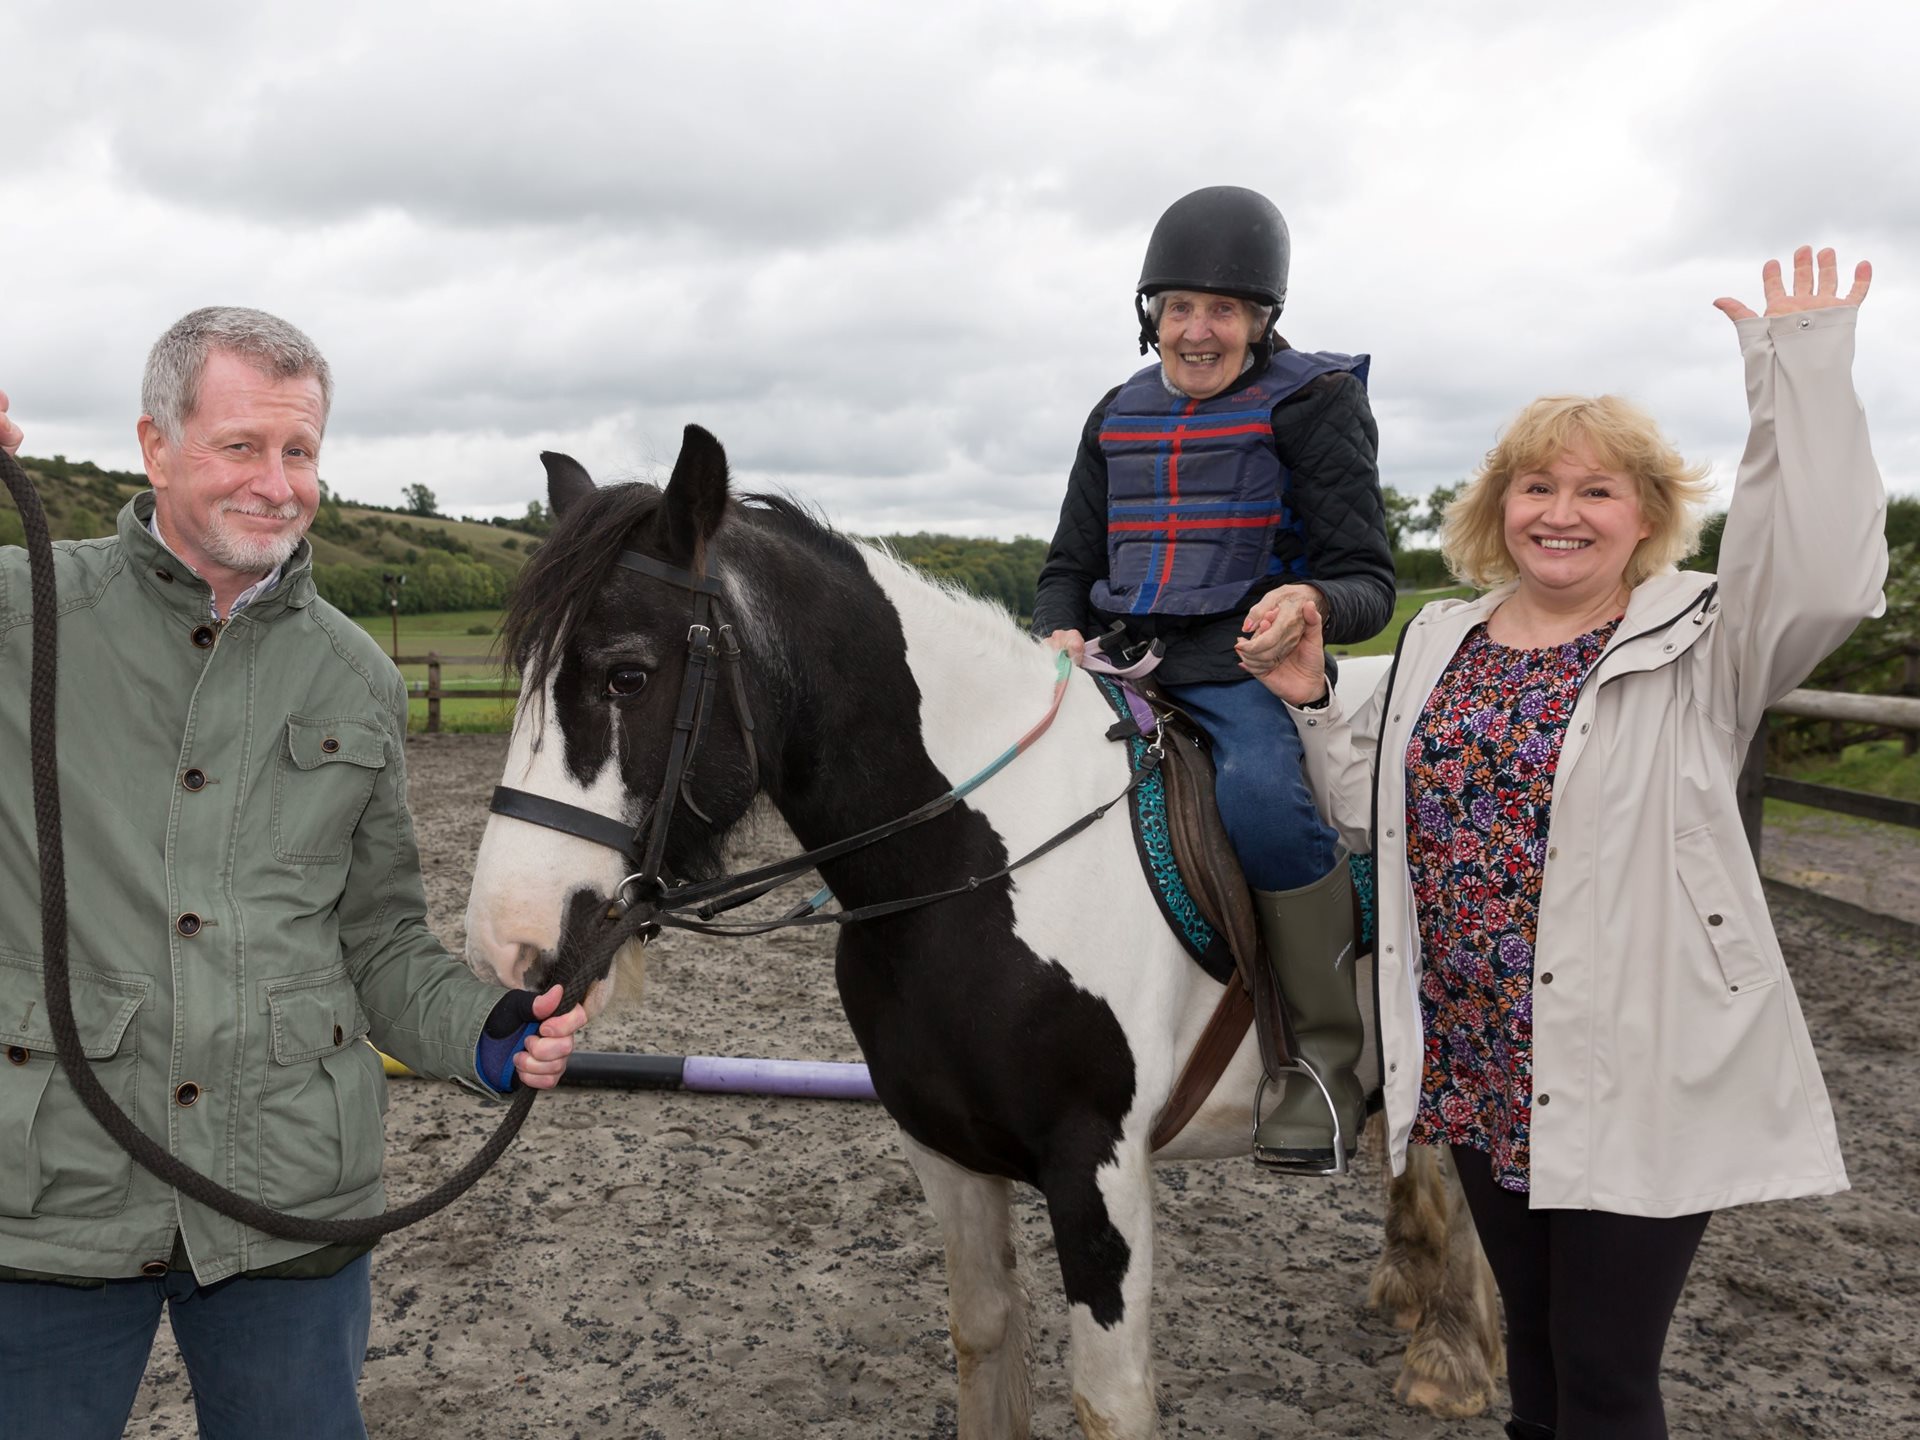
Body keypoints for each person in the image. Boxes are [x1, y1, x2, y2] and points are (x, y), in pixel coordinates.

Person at [1255, 248, 1883, 1439]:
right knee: (1533, 1358)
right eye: (1538, 486)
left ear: (1647, 516)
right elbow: (1368, 799)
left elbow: (1822, 575)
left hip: (1633, 1060)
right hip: (1484, 1058)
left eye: (1598, 491)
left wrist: (1799, 371)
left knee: (1603, 1378)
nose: (1561, 512)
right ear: (1499, 508)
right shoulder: (1444, 639)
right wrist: (1312, 694)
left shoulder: (1702, 641)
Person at [0, 308, 590, 1440]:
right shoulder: (24, 609)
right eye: (240, 447)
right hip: (51, 1191)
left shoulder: (354, 674)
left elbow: (376, 937)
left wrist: (484, 1029)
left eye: (301, 451)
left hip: (289, 1196)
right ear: (155, 443)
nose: (277, 484)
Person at [1032, 184, 1396, 1170]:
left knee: (1266, 806)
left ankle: (1321, 1060)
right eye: (1179, 307)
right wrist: (1059, 629)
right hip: (1115, 666)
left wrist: (1312, 609)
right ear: (1151, 312)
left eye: (1222, 310)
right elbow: (1068, 562)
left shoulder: (1314, 405)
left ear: (1260, 319)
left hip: (1240, 671)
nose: (1197, 331)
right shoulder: (1116, 413)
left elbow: (1369, 578)